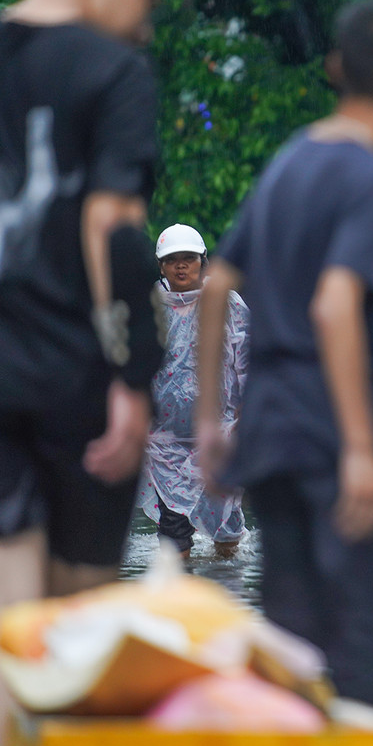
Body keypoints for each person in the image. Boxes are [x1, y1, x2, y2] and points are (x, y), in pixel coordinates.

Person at [0, 0, 177, 746]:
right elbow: (111, 224)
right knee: (79, 614)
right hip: (75, 373)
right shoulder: (112, 70)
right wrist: (129, 376)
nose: (146, 24)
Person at [196, 0, 373, 708]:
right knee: (352, 650)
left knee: (289, 645)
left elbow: (217, 288)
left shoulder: (290, 159)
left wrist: (212, 422)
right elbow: (334, 305)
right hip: (333, 431)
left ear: (335, 68)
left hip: (269, 428)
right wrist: (361, 448)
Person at [137, 223, 249, 559]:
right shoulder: (149, 306)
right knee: (174, 534)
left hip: (218, 434)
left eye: (189, 258)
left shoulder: (226, 304)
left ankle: (224, 587)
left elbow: (247, 361)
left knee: (226, 524)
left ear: (204, 262)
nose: (181, 266)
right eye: (173, 260)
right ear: (161, 266)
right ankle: (178, 596)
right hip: (165, 442)